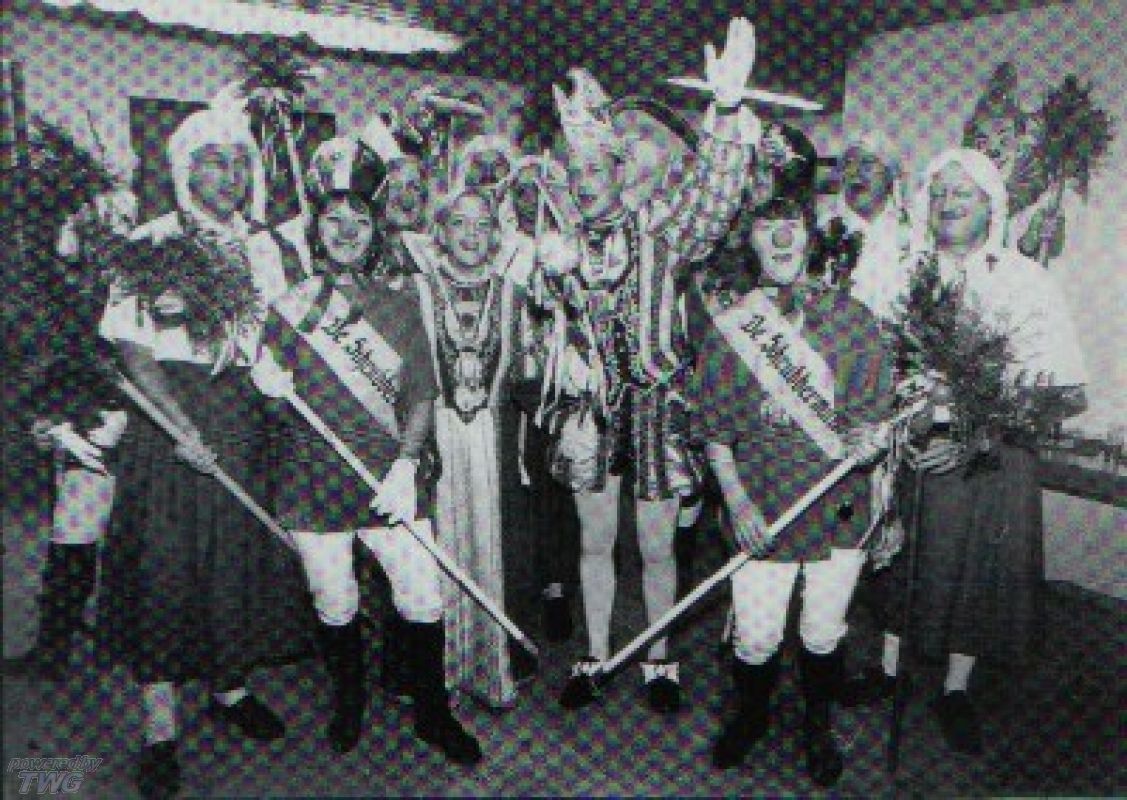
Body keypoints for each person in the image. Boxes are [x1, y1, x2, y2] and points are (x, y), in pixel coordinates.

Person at [543, 18, 761, 713]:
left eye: (594, 169)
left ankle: (659, 659)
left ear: (620, 170)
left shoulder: (661, 230)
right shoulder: (558, 247)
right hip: (591, 412)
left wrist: (725, 110)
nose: (583, 182)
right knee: (593, 542)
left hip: (657, 406)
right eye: (573, 171)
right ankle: (595, 655)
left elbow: (714, 201)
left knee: (658, 547)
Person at [97, 103, 311, 799]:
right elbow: (133, 351)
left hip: (246, 419)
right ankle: (159, 729)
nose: (230, 175)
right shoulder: (152, 241)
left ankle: (229, 688)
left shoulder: (265, 248)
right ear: (185, 169)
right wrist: (178, 427)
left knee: (235, 561)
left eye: (240, 162)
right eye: (214, 161)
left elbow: (281, 336)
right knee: (166, 568)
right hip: (171, 424)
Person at [844, 148, 1088, 756]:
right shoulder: (903, 272)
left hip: (989, 452)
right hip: (910, 443)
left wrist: (977, 437)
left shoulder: (1022, 280)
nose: (948, 203)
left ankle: (956, 689)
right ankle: (890, 670)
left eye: (963, 194)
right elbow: (870, 361)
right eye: (940, 193)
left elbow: (1057, 389)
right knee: (902, 557)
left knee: (976, 570)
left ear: (991, 207)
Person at [251, 133, 483, 763]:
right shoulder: (288, 308)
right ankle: (348, 701)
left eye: (359, 219)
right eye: (334, 220)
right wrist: (268, 386)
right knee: (335, 600)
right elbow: (273, 411)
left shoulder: (400, 305)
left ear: (376, 230)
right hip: (313, 477)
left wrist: (407, 464)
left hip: (389, 478)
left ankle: (433, 713)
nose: (347, 231)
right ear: (316, 230)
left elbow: (421, 394)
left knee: (422, 596)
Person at [685, 120, 893, 786]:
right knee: (755, 634)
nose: (779, 238)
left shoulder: (853, 320)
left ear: (810, 236)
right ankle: (749, 717)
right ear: (749, 239)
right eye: (765, 227)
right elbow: (714, 429)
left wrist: (870, 443)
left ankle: (816, 725)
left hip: (837, 507)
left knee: (823, 631)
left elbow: (872, 421)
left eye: (791, 226)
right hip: (763, 504)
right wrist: (737, 502)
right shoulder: (732, 328)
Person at [404, 187, 536, 708]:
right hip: (432, 437)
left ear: (496, 235)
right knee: (431, 550)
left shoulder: (514, 295)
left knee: (495, 544)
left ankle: (491, 666)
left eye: (482, 224)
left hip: (492, 440)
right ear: (440, 231)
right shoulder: (413, 289)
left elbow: (529, 371)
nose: (470, 234)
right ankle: (438, 672)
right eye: (459, 222)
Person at [817, 129, 912, 320]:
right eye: (848, 164)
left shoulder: (915, 231)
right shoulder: (822, 232)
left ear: (889, 175)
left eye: (867, 163)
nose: (856, 172)